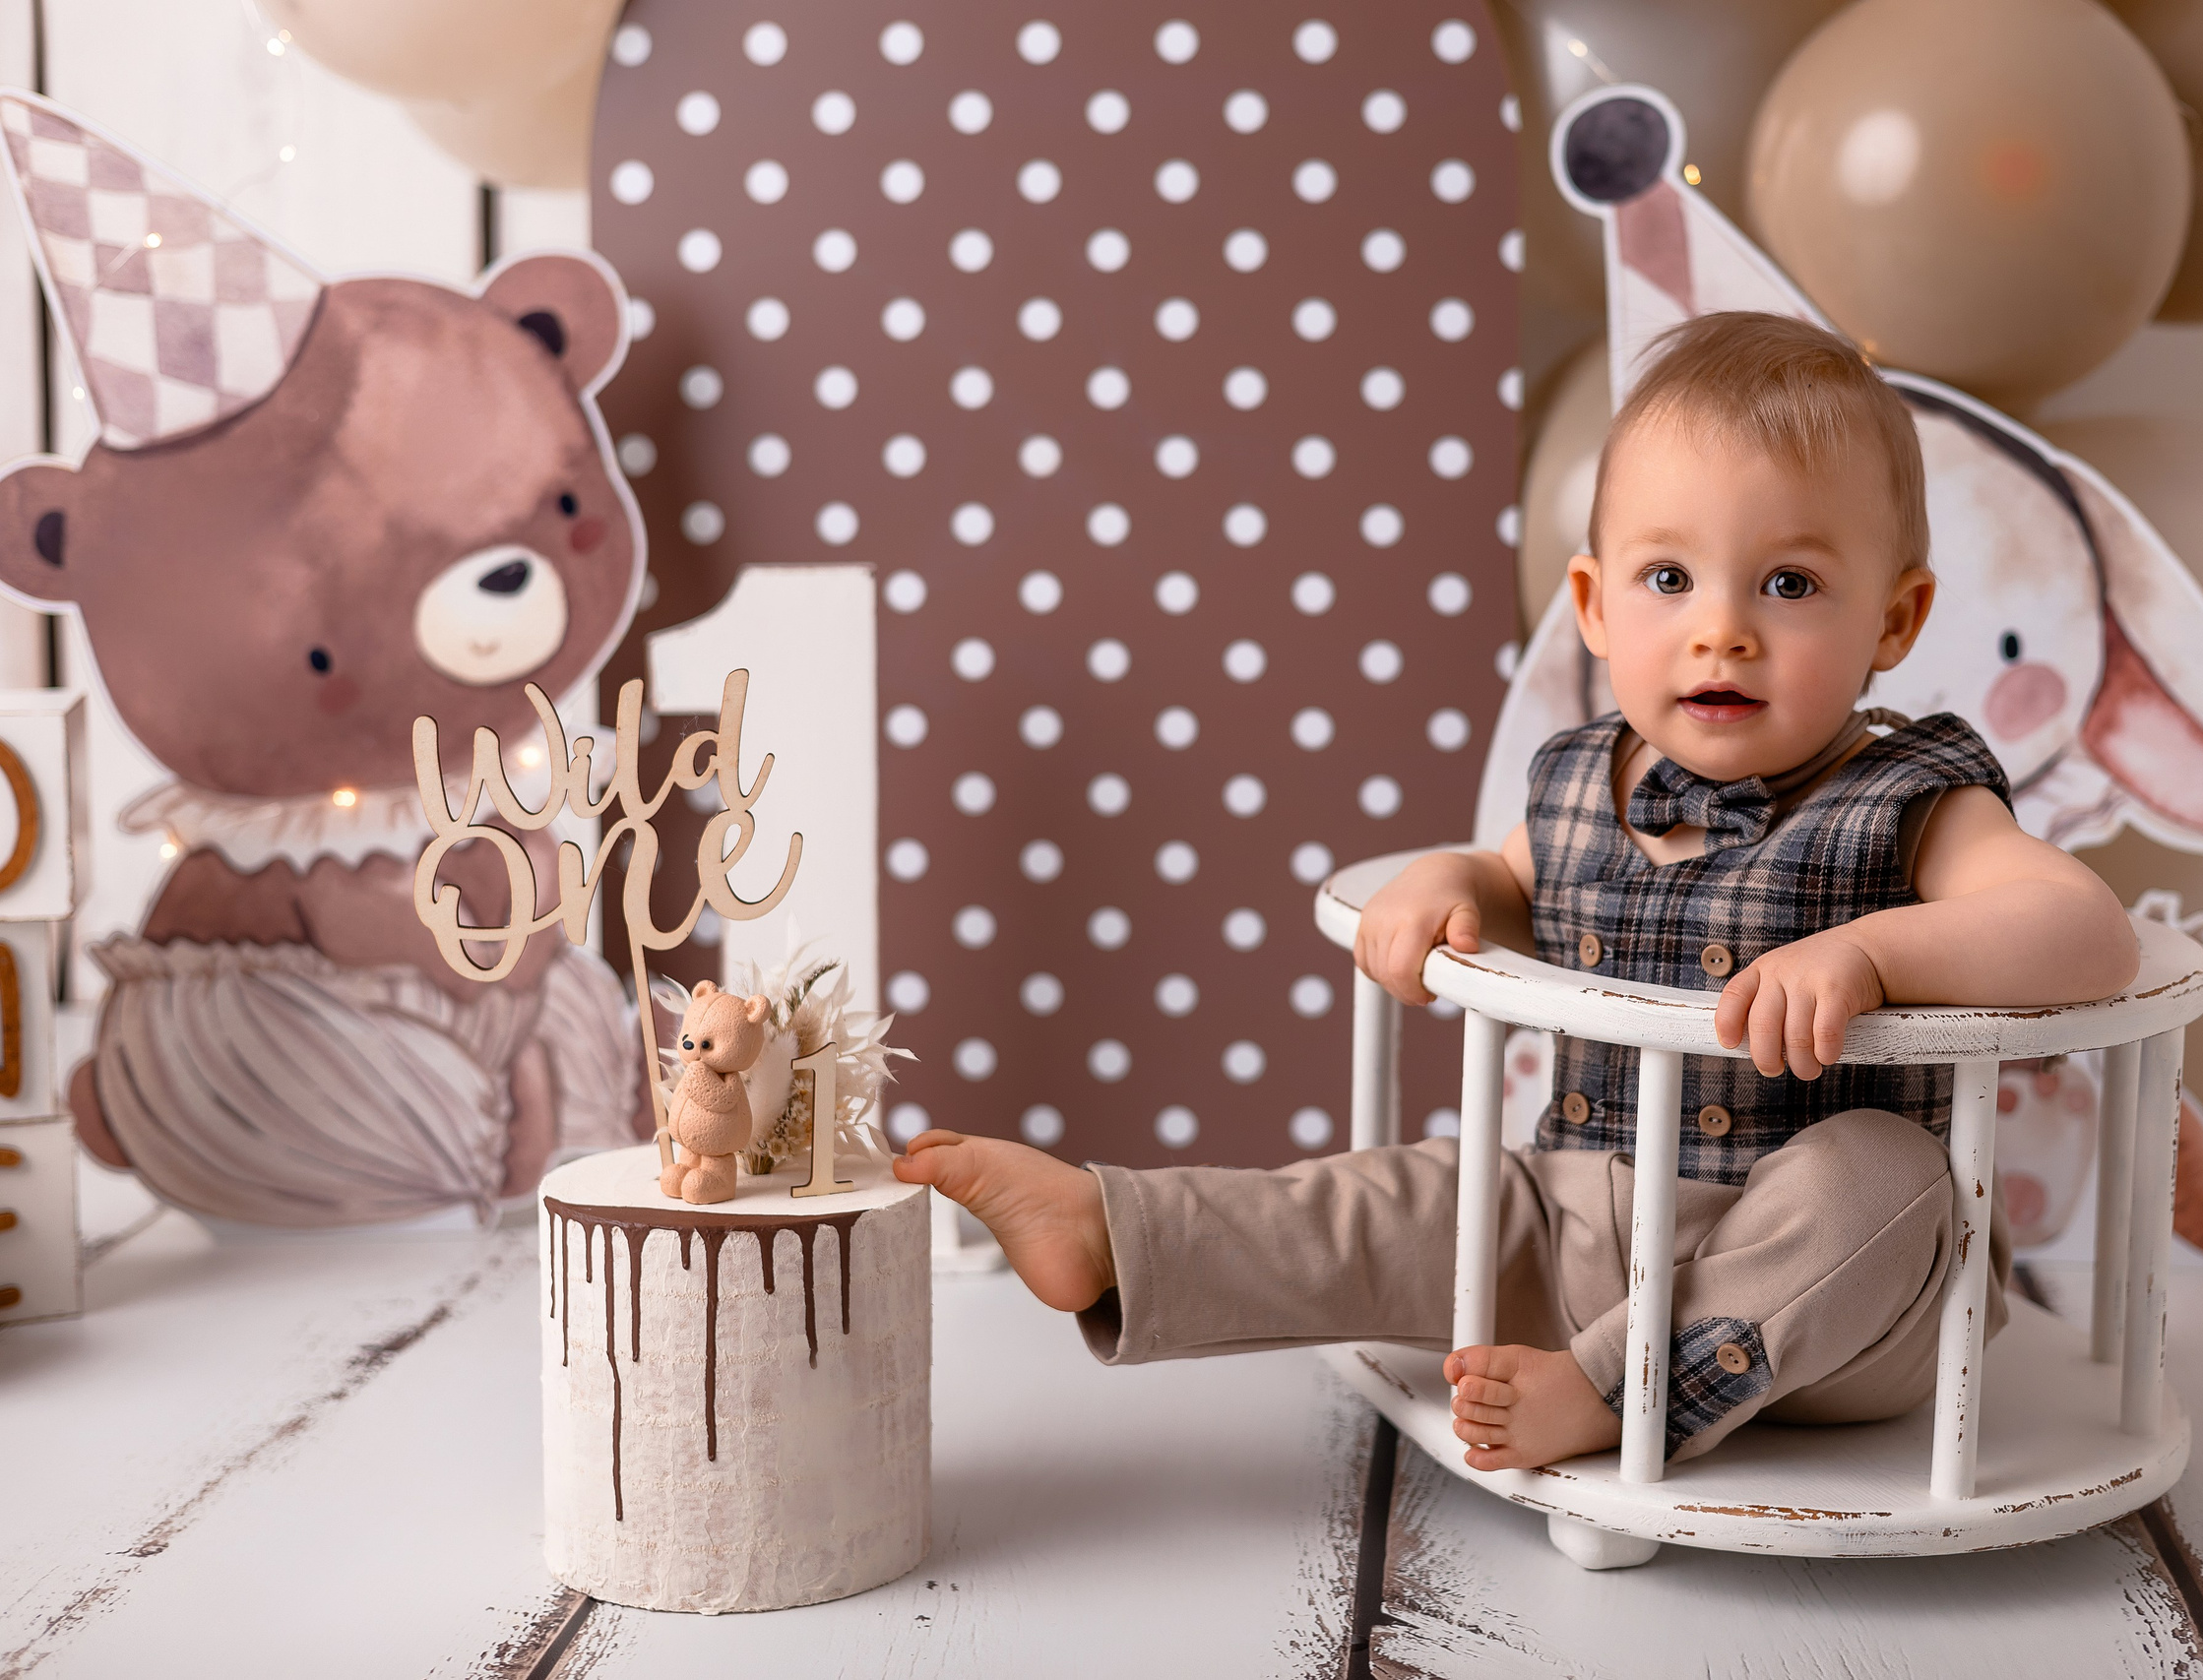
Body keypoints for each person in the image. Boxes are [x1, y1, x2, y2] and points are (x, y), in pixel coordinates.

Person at [895, 312, 2139, 1471]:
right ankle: (1121, 1235)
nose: (1723, 632)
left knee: (1885, 1174)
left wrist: (1873, 955)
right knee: (1401, 1197)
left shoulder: (1908, 797)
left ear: (1894, 619)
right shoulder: (1578, 785)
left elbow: (2084, 932)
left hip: (1837, 1306)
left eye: (1791, 585)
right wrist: (1454, 880)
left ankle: (1613, 1393)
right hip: (1582, 1230)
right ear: (1593, 607)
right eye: (1669, 581)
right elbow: (1504, 883)